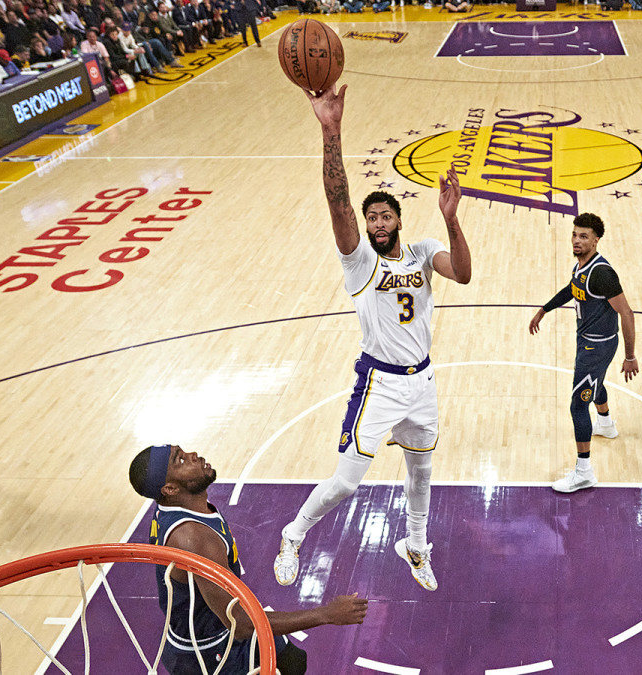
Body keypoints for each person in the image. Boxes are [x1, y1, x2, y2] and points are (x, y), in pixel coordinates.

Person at [274, 84, 472, 593]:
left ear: (398, 220)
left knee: (422, 473)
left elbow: (465, 273)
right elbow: (337, 199)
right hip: (378, 384)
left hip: (422, 381)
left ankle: (416, 545)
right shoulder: (360, 260)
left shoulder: (424, 252)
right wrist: (331, 131)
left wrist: (452, 221)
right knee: (345, 482)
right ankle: (293, 534)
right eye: (371, 220)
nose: (377, 224)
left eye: (385, 216)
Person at [127, 445, 368, 674]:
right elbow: (241, 625)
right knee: (289, 663)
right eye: (179, 460)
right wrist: (327, 614)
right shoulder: (194, 537)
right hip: (208, 653)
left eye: (182, 451)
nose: (192, 455)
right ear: (169, 489)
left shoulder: (181, 507)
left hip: (212, 626)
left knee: (293, 661)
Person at [528, 213, 638, 493]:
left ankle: (584, 471)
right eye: (575, 235)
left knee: (578, 404)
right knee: (594, 384)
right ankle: (605, 423)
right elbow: (572, 289)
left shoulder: (602, 273)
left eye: (584, 236)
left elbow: (626, 312)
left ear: (596, 240)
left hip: (597, 346)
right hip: (589, 341)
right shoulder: (582, 265)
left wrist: (629, 356)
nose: (577, 240)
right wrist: (545, 308)